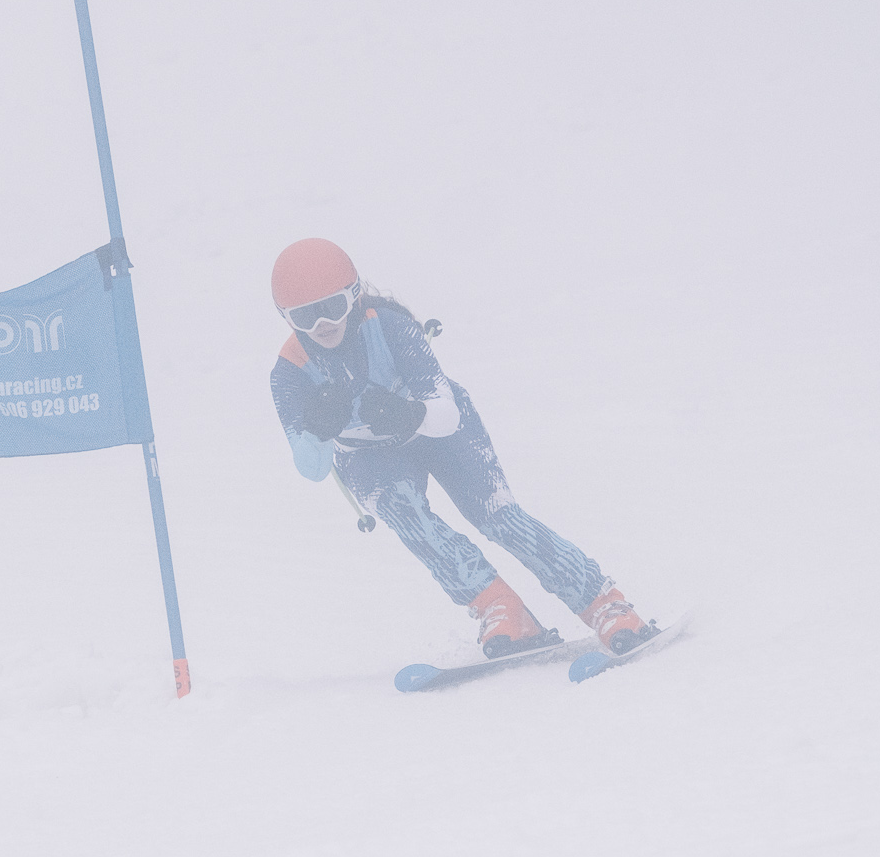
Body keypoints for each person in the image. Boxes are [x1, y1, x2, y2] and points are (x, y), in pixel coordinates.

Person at [267, 237, 653, 660]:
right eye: (305, 316)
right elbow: (312, 468)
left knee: (496, 516)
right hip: (367, 454)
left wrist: (409, 414)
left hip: (439, 430)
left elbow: (445, 415)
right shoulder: (289, 373)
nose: (323, 323)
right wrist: (318, 430)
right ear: (285, 317)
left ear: (355, 295)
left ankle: (604, 603)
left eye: (333, 307)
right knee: (408, 517)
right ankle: (499, 607)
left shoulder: (390, 327)